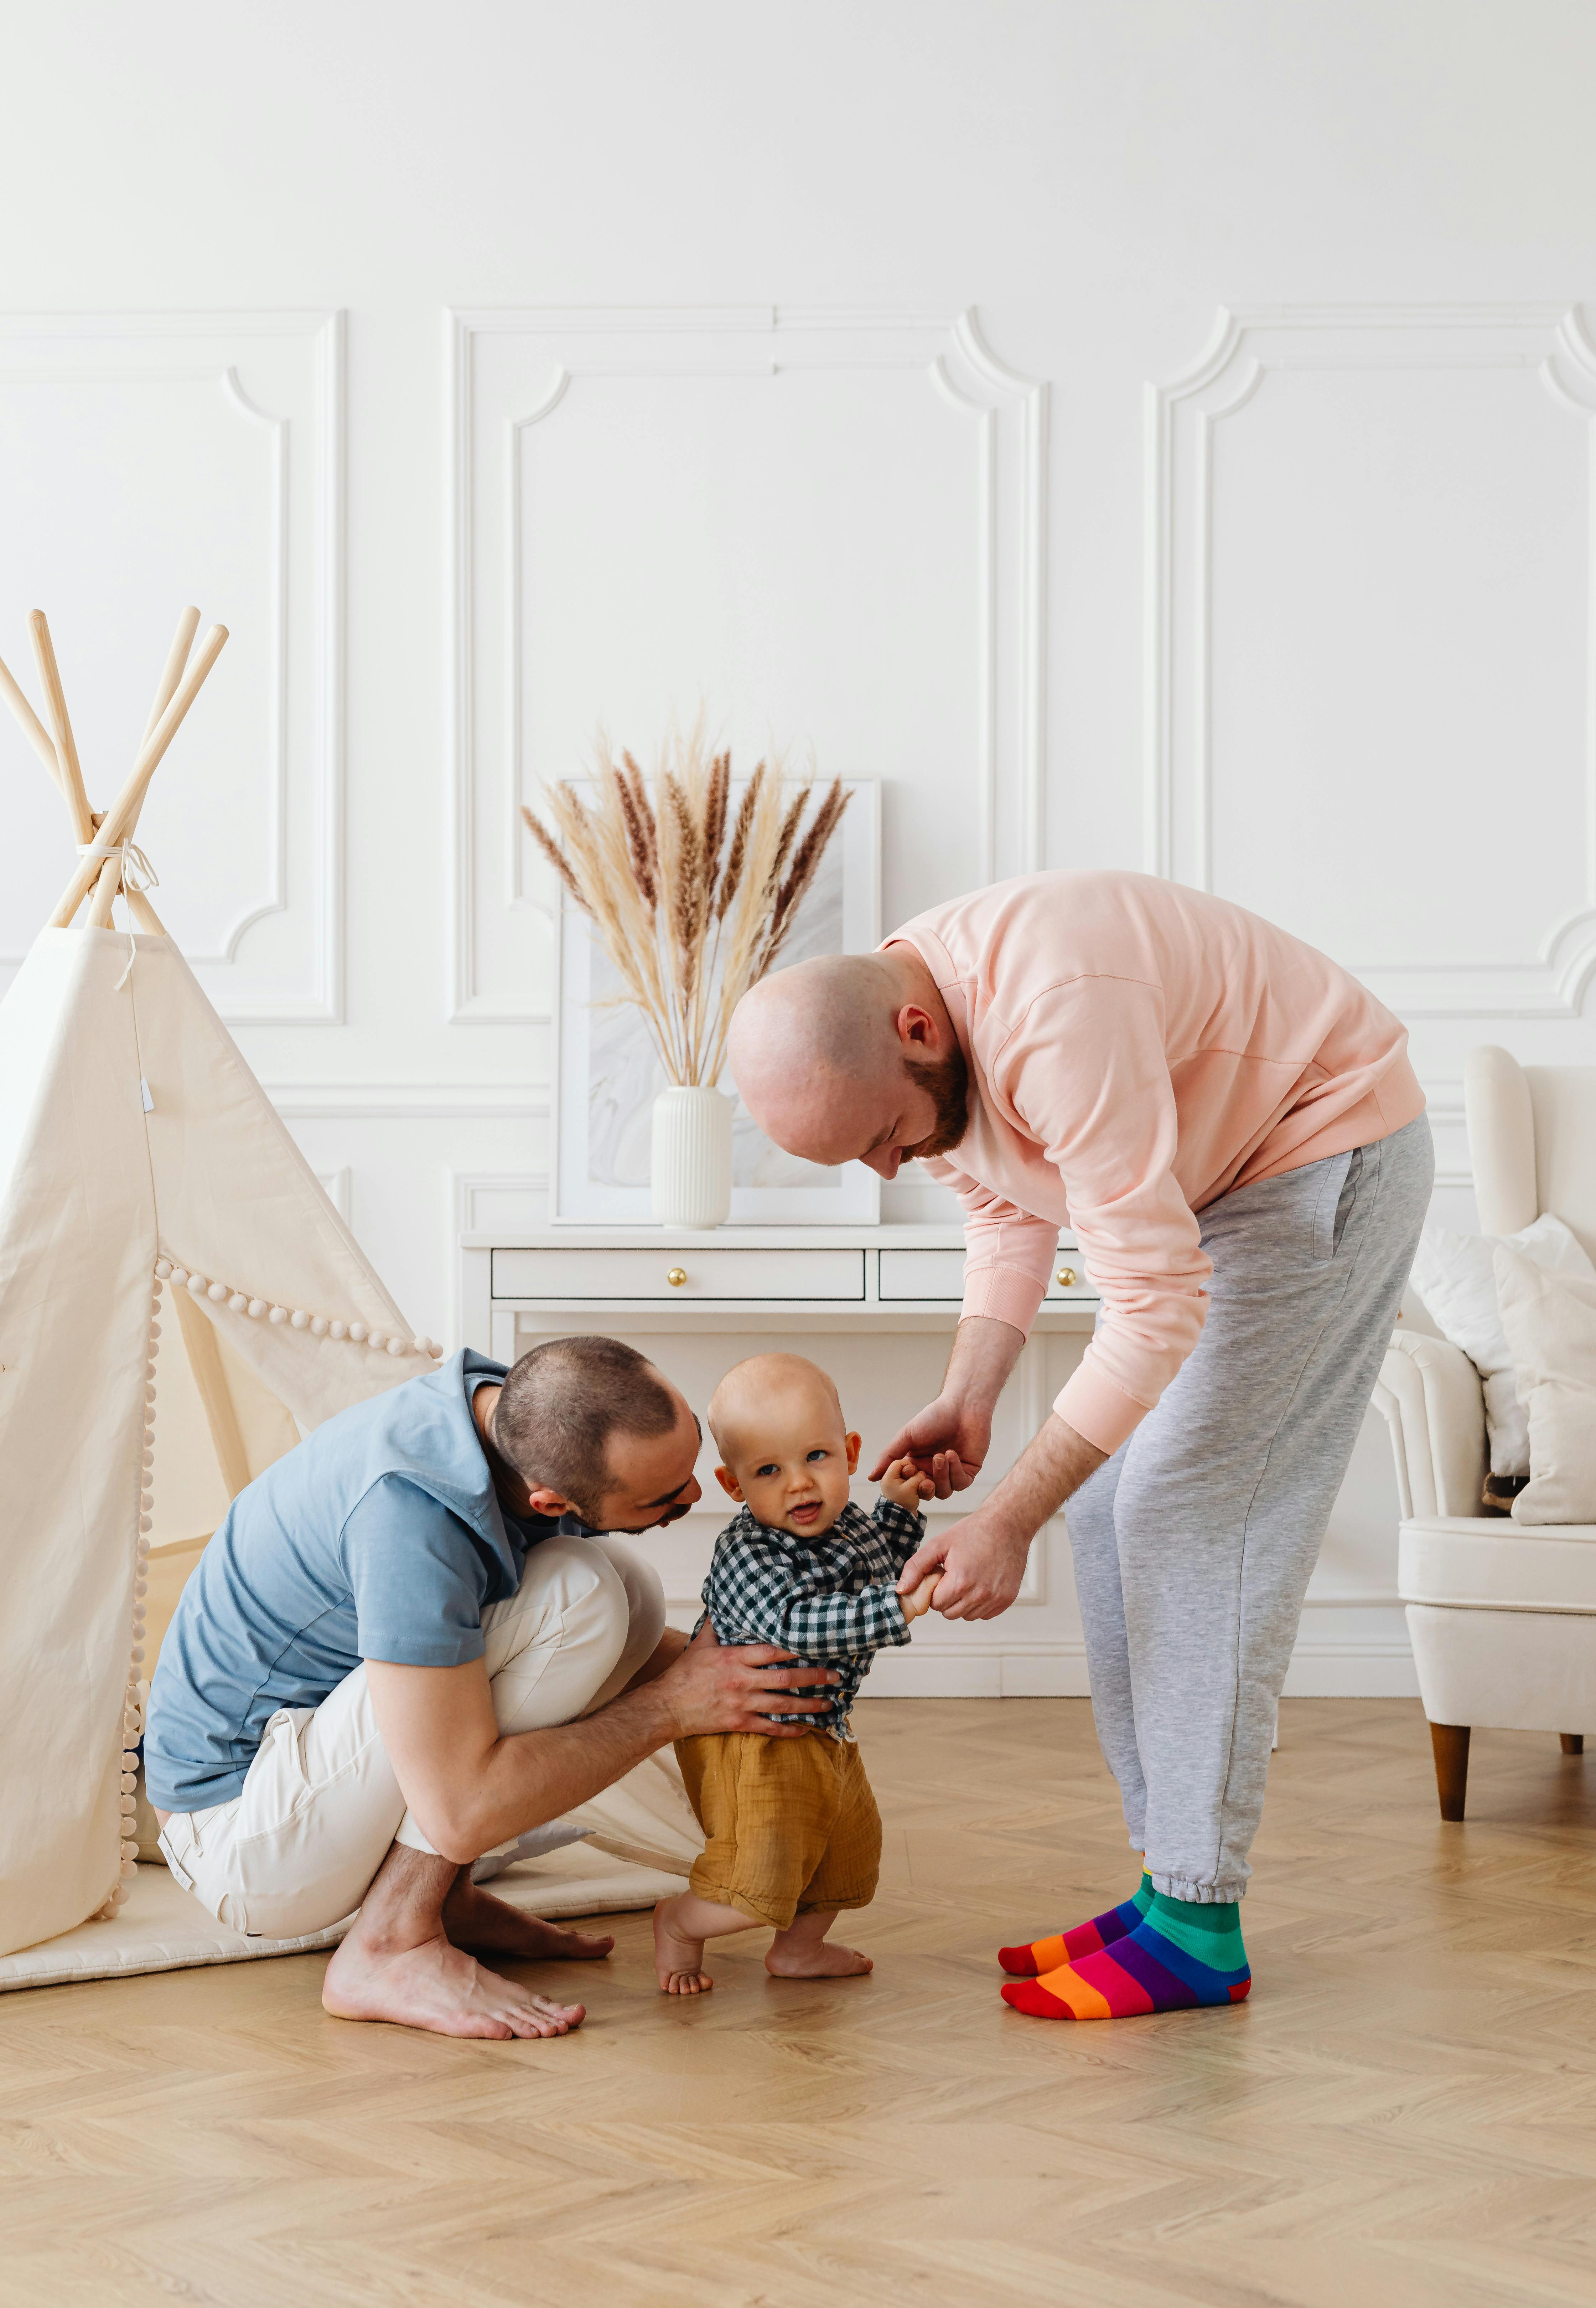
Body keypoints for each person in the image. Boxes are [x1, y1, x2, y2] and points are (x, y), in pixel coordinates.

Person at [727, 869, 1432, 2022]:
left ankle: (1202, 1921)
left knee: (1197, 1505)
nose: (888, 1170)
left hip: (1324, 1147)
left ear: (917, 1031)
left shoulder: (1054, 1011)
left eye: (883, 1140)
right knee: (1111, 1506)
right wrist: (970, 1394)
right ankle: (1167, 1892)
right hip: (1223, 1171)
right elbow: (1008, 1205)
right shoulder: (920, 1043)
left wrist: (1006, 1517)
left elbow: (1154, 1303)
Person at [144, 1335, 838, 2041]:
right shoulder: (412, 1518)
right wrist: (673, 1709)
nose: (694, 1494)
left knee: (625, 1594)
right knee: (583, 1596)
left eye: (691, 1454)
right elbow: (459, 1814)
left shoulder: (518, 1414)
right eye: (665, 1496)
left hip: (300, 1768)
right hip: (245, 1842)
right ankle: (390, 1945)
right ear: (550, 1498)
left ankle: (445, 1901)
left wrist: (744, 1671)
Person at [653, 1352, 941, 1997]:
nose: (799, 1486)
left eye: (816, 1458)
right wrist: (899, 1606)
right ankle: (680, 1923)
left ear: (849, 1451)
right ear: (735, 1486)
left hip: (822, 1730)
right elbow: (799, 1624)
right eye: (768, 1471)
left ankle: (798, 1952)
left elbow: (874, 1564)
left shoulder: (845, 1526)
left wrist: (899, 1508)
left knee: (843, 1855)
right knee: (757, 1876)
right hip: (748, 1738)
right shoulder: (748, 1550)